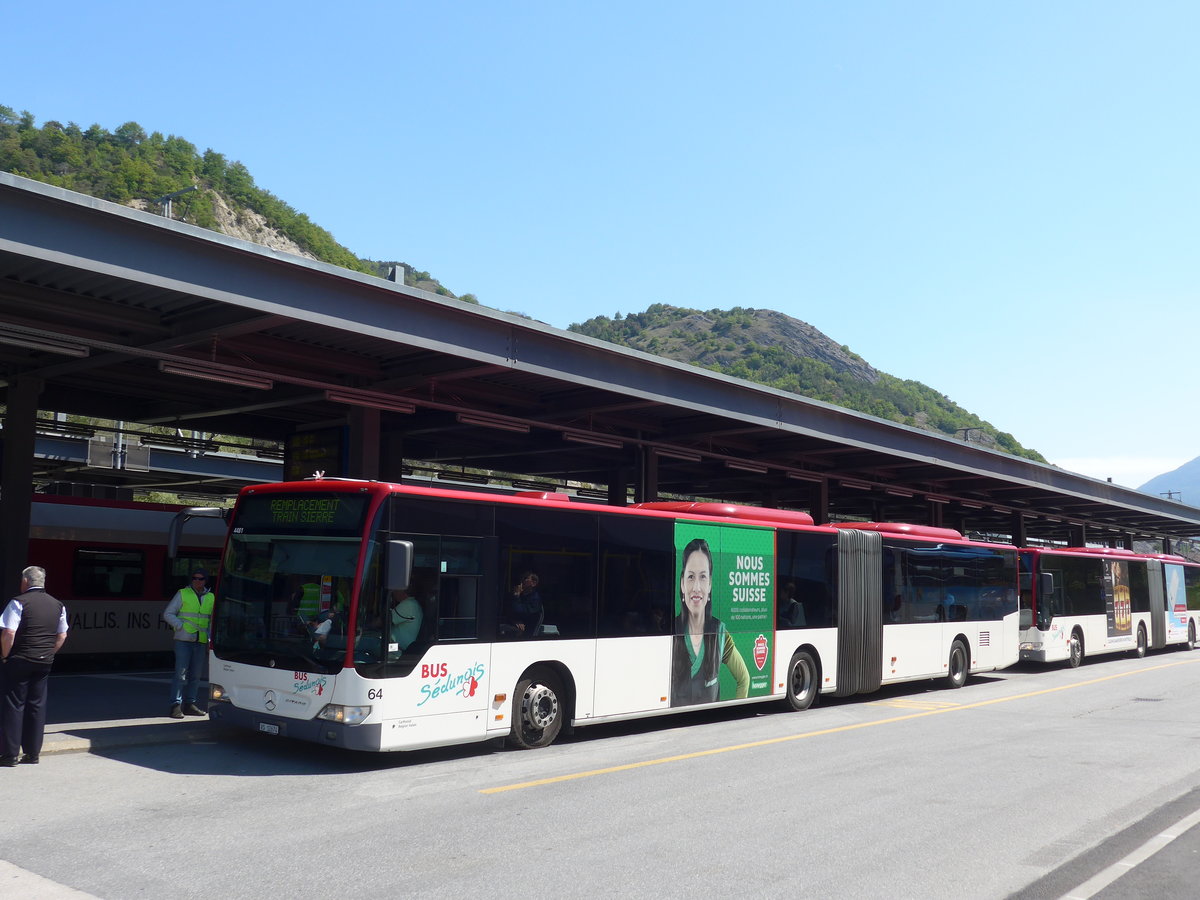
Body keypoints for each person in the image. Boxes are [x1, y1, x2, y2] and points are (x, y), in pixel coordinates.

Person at [0, 565, 69, 766]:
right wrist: (48, 653)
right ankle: (32, 754)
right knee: (37, 706)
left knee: (14, 705)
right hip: (44, 661)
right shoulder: (58, 605)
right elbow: (62, 635)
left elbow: (8, 633)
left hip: (20, 659)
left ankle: (10, 754)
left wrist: (5, 655)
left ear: (25, 581)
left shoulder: (18, 602)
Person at [671, 539, 750, 706]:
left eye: (703, 577)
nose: (697, 587)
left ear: (710, 585)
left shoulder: (720, 634)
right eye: (691, 577)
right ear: (682, 584)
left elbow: (744, 679)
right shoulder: (669, 631)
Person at [162, 568, 214, 719]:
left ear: (205, 580)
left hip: (201, 641)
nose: (197, 581)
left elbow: (211, 619)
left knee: (196, 676)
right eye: (195, 578)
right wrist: (180, 626)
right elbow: (168, 613)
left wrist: (210, 637)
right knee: (181, 675)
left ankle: (190, 704)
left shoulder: (211, 597)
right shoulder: (183, 593)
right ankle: (175, 705)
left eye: (201, 578)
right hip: (183, 640)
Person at [506, 571, 543, 636]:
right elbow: (509, 611)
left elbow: (521, 612)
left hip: (527, 632)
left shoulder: (535, 599)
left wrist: (516, 596)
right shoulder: (521, 595)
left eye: (525, 579)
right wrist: (515, 620)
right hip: (516, 624)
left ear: (534, 583)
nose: (522, 581)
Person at [388, 587, 424, 652]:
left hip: (398, 649)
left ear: (402, 591)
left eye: (395, 590)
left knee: (366, 642)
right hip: (396, 646)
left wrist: (369, 625)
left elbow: (384, 620)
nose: (393, 592)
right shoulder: (413, 603)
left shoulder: (408, 604)